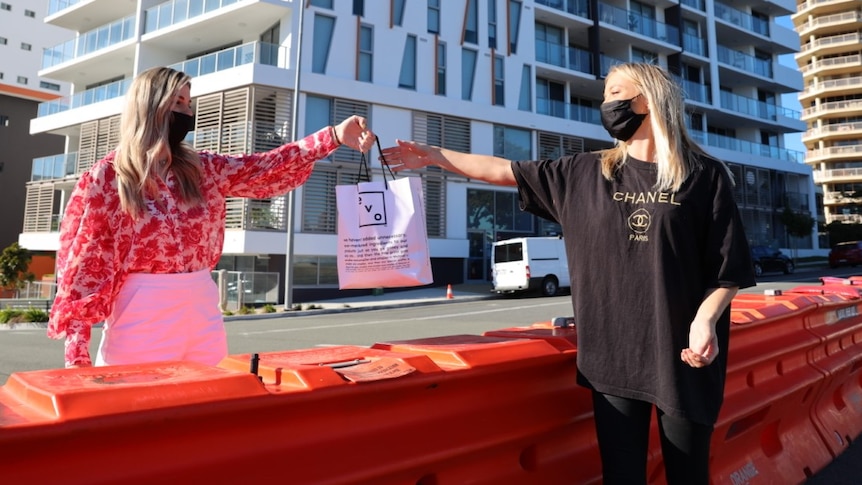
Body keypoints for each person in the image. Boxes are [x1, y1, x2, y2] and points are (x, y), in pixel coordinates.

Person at [381, 62, 756, 484]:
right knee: (621, 474)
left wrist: (705, 320)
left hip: (684, 357)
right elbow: (502, 169)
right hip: (612, 355)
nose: (606, 105)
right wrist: (434, 157)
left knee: (688, 475)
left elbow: (728, 268)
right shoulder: (583, 174)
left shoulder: (704, 176)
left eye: (614, 93)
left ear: (647, 100)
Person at [48, 66, 375, 369]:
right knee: (136, 412)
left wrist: (331, 137)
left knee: (204, 409)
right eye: (178, 101)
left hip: (202, 305)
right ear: (150, 106)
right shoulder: (108, 177)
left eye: (189, 103)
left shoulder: (203, 168)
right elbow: (84, 264)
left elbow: (264, 167)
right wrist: (77, 356)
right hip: (141, 310)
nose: (187, 112)